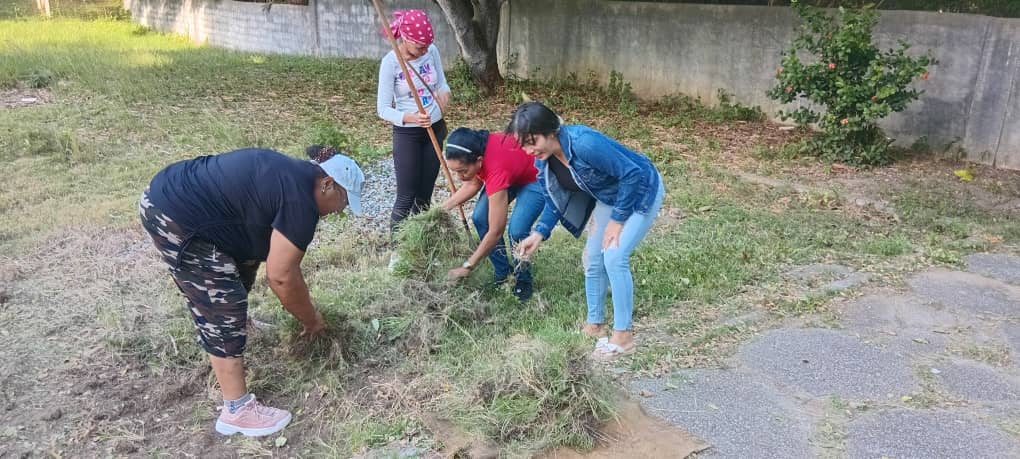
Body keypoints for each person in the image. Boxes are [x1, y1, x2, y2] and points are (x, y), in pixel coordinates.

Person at [139, 146, 365, 437]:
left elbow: (262, 244)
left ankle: (239, 328)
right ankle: (237, 410)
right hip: (176, 215)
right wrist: (312, 321)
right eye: (343, 201)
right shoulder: (300, 203)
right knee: (221, 301)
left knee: (244, 259)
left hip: (176, 193)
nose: (340, 211)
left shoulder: (294, 178)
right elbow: (282, 277)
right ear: (327, 184)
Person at [510, 102, 665, 361]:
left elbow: (632, 174)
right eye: (523, 144)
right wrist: (539, 232)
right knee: (593, 259)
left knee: (614, 256)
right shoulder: (544, 162)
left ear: (550, 131)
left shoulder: (584, 143)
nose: (528, 151)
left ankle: (624, 336)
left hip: (640, 191)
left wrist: (617, 220)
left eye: (531, 141)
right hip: (609, 197)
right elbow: (554, 200)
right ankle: (595, 325)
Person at [376, 9, 451, 252]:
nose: (425, 50)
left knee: (424, 197)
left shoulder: (432, 52)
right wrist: (410, 117)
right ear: (405, 40)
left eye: (428, 45)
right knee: (406, 196)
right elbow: (383, 109)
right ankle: (397, 252)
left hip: (435, 130)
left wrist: (444, 98)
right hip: (408, 133)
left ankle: (420, 247)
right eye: (420, 46)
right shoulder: (391, 63)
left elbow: (441, 83)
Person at [441, 127, 544, 301]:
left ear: (479, 161)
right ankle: (503, 272)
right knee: (480, 218)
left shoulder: (495, 168)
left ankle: (523, 279)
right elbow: (472, 184)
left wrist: (468, 265)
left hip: (535, 178)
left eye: (462, 171)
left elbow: (496, 231)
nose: (459, 177)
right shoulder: (475, 149)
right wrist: (441, 210)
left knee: (517, 230)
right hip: (510, 172)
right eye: (455, 171)